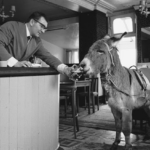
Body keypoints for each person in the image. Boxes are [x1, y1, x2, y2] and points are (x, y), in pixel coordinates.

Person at [0, 11, 73, 77]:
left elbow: (48, 56)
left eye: (45, 28)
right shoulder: (11, 26)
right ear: (32, 22)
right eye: (42, 26)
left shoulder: (37, 41)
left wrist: (65, 69)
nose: (43, 31)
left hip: (15, 78)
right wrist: (15, 63)